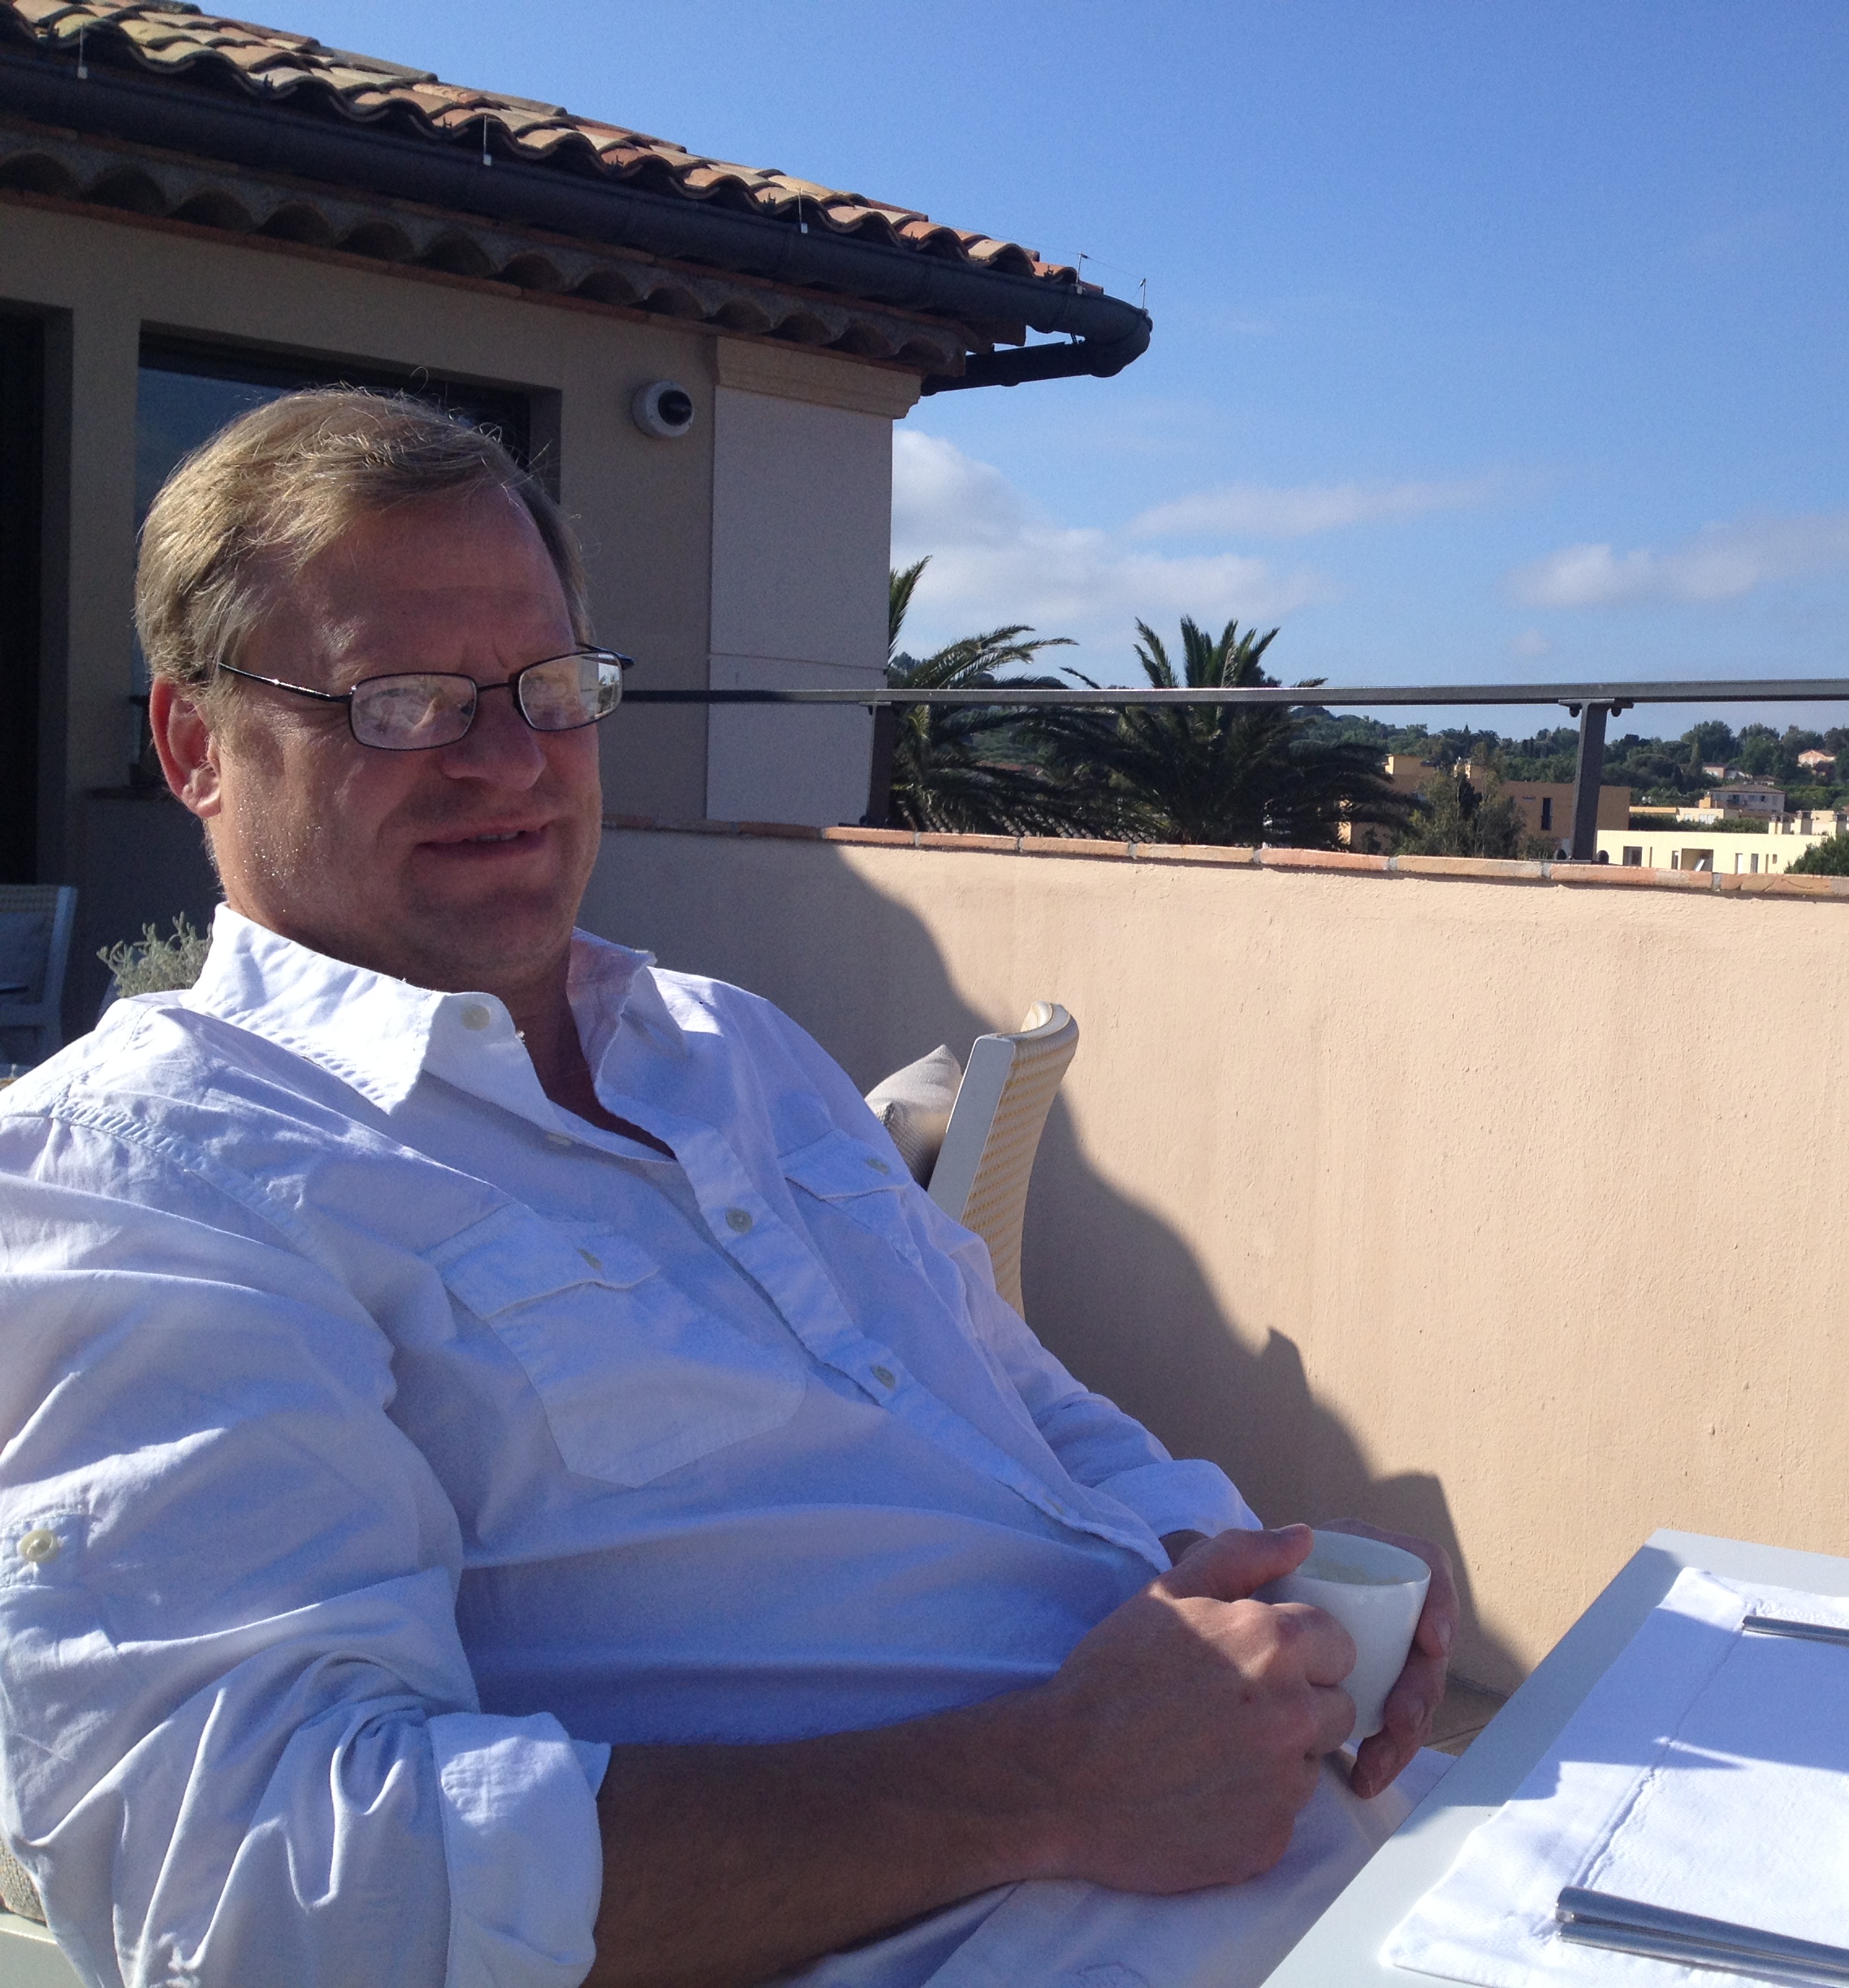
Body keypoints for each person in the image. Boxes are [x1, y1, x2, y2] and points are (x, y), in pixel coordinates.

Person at [0, 391, 1456, 1988]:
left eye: (549, 687)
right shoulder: (151, 1176)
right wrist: (1049, 1783)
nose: (511, 759)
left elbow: (1023, 1406)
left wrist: (1260, 1575)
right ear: (195, 747)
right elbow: (257, 1888)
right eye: (399, 700)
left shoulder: (729, 1047)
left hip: (1350, 1856)